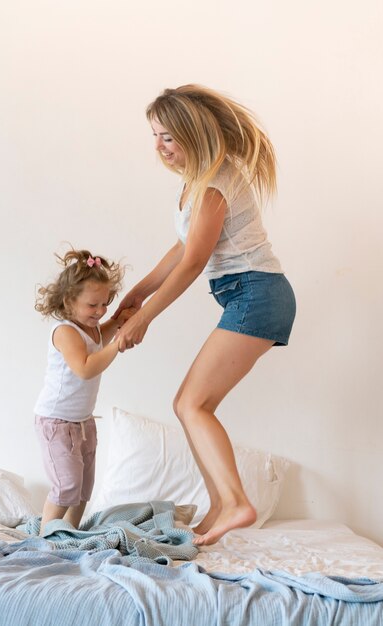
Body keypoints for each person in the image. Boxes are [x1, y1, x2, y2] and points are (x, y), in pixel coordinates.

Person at [113, 84, 296, 546]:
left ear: (193, 135)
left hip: (257, 293)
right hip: (248, 295)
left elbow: (195, 261)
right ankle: (220, 505)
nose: (159, 147)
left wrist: (144, 318)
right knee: (192, 404)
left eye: (169, 137)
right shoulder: (197, 181)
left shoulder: (215, 182)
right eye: (154, 135)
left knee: (191, 403)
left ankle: (237, 503)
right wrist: (138, 291)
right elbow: (181, 246)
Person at [34, 248, 134, 534]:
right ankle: (46, 538)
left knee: (83, 488)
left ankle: (70, 533)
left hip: (83, 421)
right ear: (69, 302)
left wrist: (119, 321)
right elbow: (86, 367)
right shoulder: (65, 331)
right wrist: (118, 343)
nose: (100, 311)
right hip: (56, 422)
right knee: (66, 486)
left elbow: (104, 333)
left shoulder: (93, 329)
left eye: (105, 303)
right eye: (93, 305)